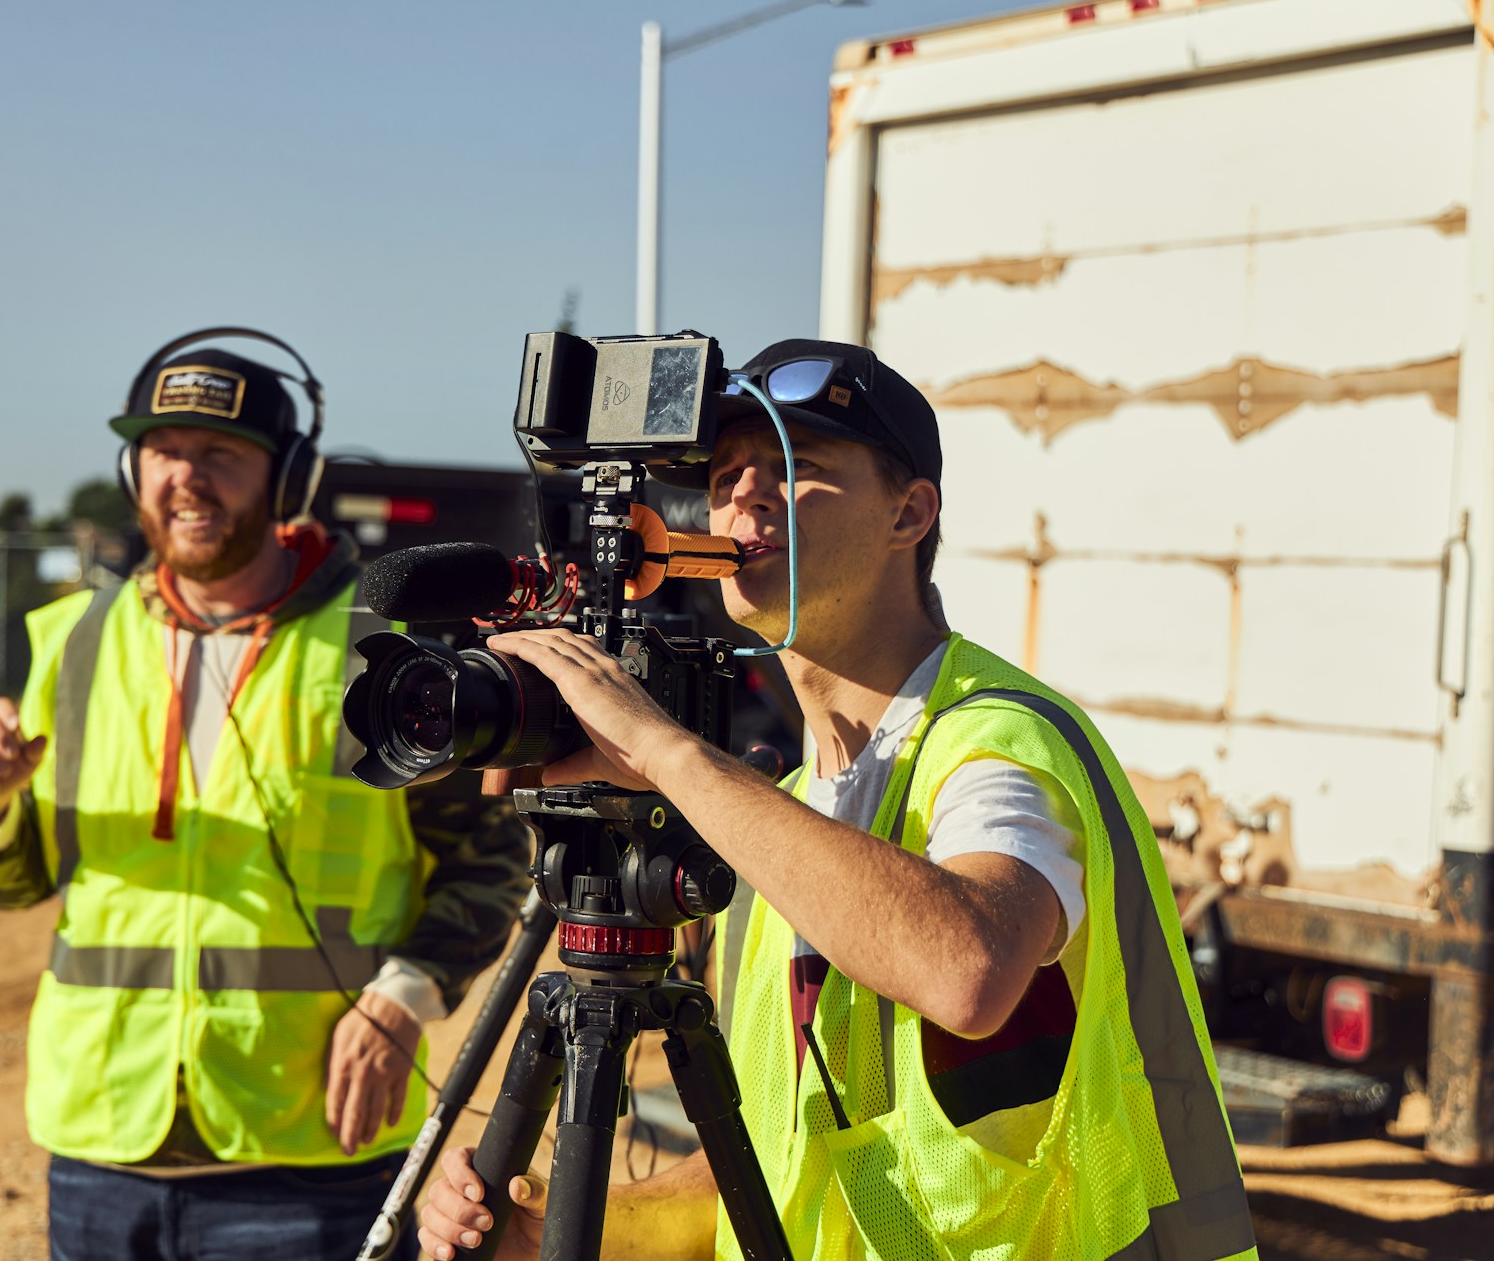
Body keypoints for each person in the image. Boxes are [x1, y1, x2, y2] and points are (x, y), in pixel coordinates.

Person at [418, 339, 1258, 1260]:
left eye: (797, 467)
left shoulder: (998, 740)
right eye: (728, 473)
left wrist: (663, 753)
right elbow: (768, 1169)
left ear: (910, 514)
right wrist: (541, 1233)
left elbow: (969, 969)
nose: (745, 495)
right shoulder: (774, 813)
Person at [0, 340, 528, 1261]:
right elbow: (18, 883)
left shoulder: (383, 652)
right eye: (165, 450)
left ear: (288, 478)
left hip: (309, 1152)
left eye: (221, 454)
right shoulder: (75, 643)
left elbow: (490, 855)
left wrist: (405, 996)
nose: (187, 478)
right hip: (101, 1147)